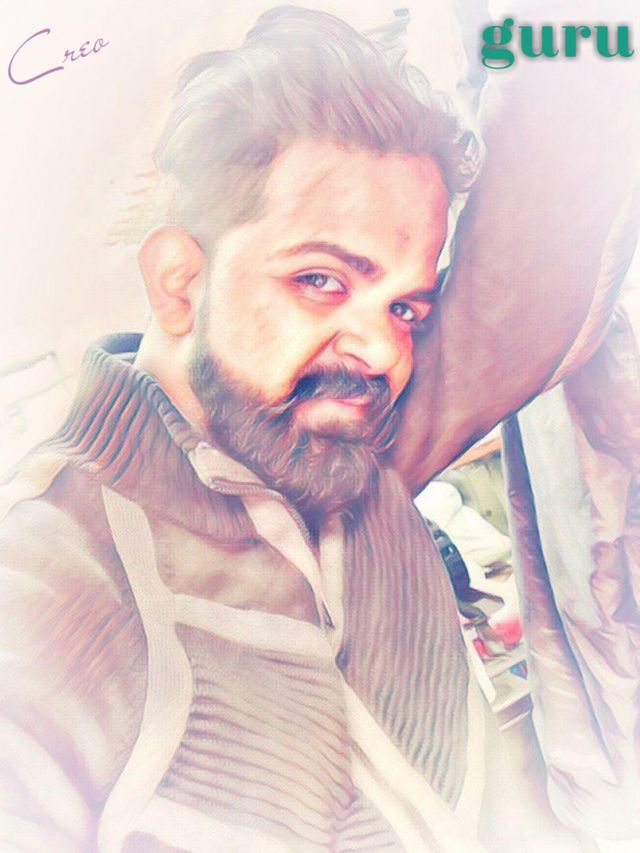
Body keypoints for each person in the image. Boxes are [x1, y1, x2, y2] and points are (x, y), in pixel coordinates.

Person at [1, 5, 637, 852]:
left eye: (406, 307)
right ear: (181, 282)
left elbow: (546, 229)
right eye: (322, 280)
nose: (384, 353)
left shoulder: (345, 450)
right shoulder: (52, 583)